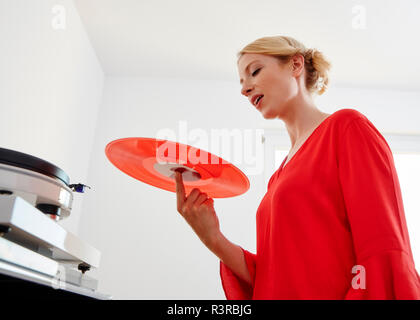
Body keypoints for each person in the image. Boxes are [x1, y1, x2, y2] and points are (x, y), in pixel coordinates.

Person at [174, 35, 420, 299]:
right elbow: (273, 278)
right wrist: (213, 238)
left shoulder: (346, 128)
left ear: (295, 65)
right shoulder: (277, 178)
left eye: (254, 71)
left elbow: (383, 250)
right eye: (242, 82)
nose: (245, 89)